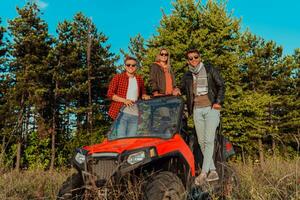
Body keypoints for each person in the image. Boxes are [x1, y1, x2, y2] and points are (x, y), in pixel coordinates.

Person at [181, 49, 225, 185]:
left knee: (209, 140)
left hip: (211, 108)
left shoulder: (209, 69)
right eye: (190, 58)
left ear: (200, 57)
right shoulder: (187, 75)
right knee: (201, 142)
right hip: (197, 110)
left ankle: (204, 173)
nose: (193, 60)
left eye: (196, 57)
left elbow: (221, 85)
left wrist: (218, 102)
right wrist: (176, 89)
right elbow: (184, 89)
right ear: (188, 61)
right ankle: (213, 170)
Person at [107, 56, 150, 136]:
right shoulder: (118, 77)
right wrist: (124, 100)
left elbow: (143, 93)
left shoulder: (139, 79)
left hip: (135, 114)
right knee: (121, 139)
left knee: (131, 141)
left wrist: (145, 96)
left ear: (136, 67)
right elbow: (110, 94)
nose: (131, 67)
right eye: (128, 65)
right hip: (121, 113)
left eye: (133, 65)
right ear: (125, 66)